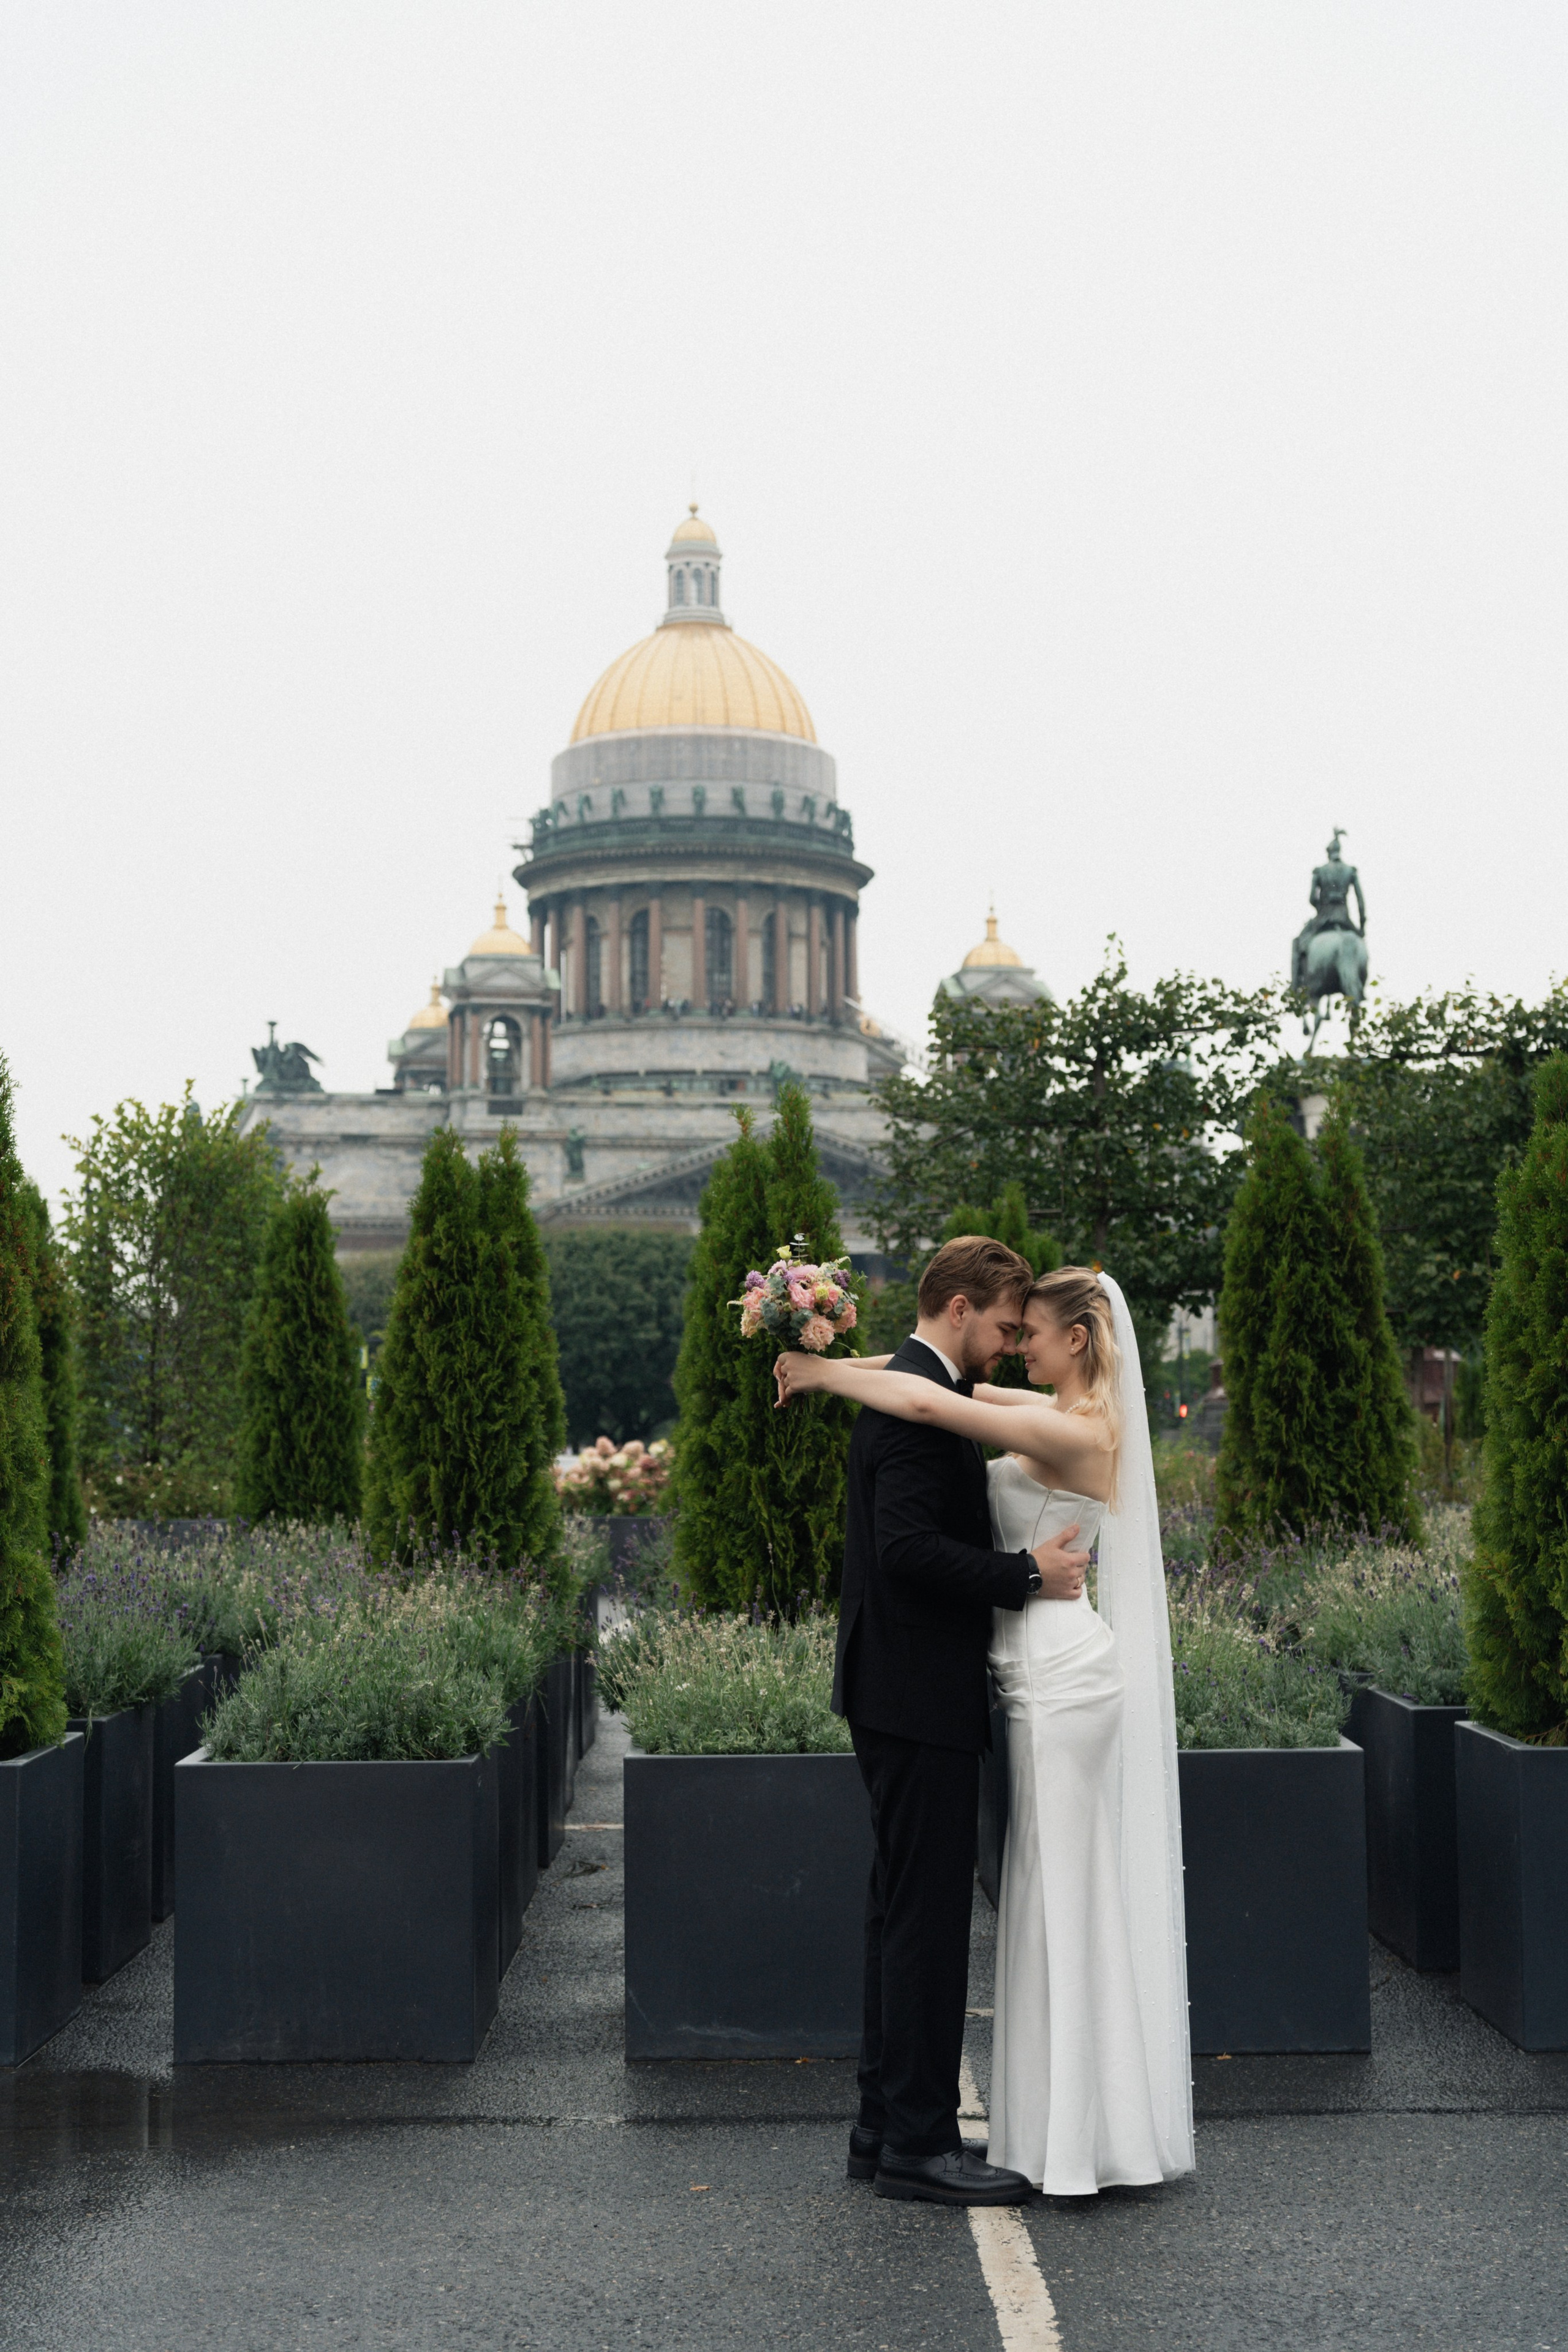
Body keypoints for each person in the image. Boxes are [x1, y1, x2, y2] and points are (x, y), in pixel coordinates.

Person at [777, 1262, 1195, 2197]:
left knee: (952, 1907)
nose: (1016, 1345)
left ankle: (903, 2129)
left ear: (1077, 1340)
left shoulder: (1028, 1416)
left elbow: (943, 1403)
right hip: (934, 1685)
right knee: (921, 1915)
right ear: (961, 1311)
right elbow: (911, 1535)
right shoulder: (928, 1393)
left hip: (1031, 1679)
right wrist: (828, 1362)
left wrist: (827, 1371)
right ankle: (913, 2142)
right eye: (1008, 1327)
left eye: (1030, 1333)